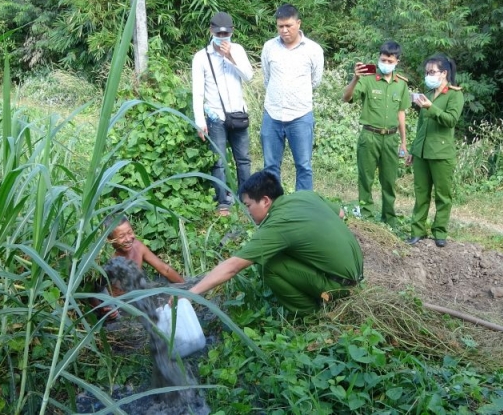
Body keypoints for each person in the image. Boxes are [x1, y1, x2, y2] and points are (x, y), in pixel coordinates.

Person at [187, 171, 363, 315]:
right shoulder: (305, 196)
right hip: (357, 273)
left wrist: (191, 293)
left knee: (267, 264)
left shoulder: (278, 224)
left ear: (265, 201)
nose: (247, 212)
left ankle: (311, 315)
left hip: (341, 286)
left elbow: (233, 266)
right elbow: (340, 213)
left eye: (248, 205)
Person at [342, 40, 411, 228]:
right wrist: (355, 78)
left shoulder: (401, 84)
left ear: (397, 61)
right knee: (366, 177)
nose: (385, 63)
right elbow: (346, 97)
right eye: (383, 59)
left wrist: (404, 142)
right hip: (369, 136)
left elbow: (401, 113)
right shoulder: (368, 78)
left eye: (389, 61)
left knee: (389, 180)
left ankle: (389, 216)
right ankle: (366, 213)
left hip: (391, 138)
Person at [191, 11, 254, 215]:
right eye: (219, 33)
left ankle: (246, 198)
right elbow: (198, 91)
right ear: (211, 31)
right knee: (219, 161)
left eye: (226, 34)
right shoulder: (201, 57)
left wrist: (230, 57)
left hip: (238, 113)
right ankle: (223, 202)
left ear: (232, 32)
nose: (222, 37)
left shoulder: (238, 50)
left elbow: (249, 77)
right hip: (215, 116)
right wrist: (200, 121)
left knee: (243, 158)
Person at [260, 4, 324, 191]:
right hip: (272, 114)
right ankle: (273, 209)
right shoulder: (269, 47)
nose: (284, 30)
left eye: (289, 25)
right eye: (280, 26)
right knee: (270, 166)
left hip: (300, 116)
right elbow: (267, 78)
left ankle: (302, 211)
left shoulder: (313, 50)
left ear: (298, 23)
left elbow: (315, 80)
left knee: (303, 166)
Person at [406, 54, 464, 248]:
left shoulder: (455, 94)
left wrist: (432, 108)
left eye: (432, 72)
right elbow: (421, 125)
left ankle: (440, 232)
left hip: (441, 154)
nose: (428, 75)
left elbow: (451, 120)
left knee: (442, 195)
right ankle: (417, 231)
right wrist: (413, 150)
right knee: (421, 193)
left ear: (444, 73)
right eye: (427, 72)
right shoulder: (428, 95)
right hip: (422, 153)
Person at [89, 215, 185, 319]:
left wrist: (185, 287)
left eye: (130, 232)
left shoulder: (137, 247)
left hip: (139, 296)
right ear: (109, 239)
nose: (128, 239)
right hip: (119, 306)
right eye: (121, 236)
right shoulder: (105, 259)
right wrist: (100, 308)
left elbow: (165, 270)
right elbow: (92, 290)